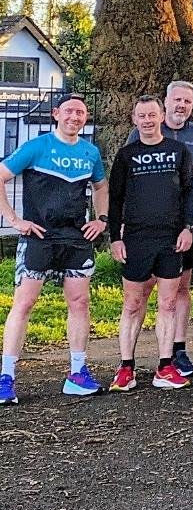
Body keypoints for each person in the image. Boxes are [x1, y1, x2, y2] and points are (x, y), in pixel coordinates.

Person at [0, 93, 108, 403]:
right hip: (39, 236)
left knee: (80, 302)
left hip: (76, 238)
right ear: (56, 114)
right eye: (70, 111)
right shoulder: (37, 147)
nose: (76, 117)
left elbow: (101, 187)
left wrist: (101, 220)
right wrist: (13, 219)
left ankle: (77, 373)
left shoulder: (90, 152)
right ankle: (6, 377)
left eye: (82, 112)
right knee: (24, 304)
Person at [108, 95, 193, 392]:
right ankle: (125, 368)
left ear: (161, 116)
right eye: (141, 116)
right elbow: (115, 199)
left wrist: (189, 228)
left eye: (152, 115)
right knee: (133, 304)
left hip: (171, 239)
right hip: (136, 238)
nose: (147, 121)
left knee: (169, 302)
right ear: (134, 120)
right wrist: (115, 237)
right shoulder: (126, 155)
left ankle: (165, 366)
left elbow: (190, 193)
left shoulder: (177, 152)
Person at [138, 80, 193, 380]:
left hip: (187, 224)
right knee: (145, 289)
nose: (181, 105)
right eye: (177, 100)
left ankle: (178, 350)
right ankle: (131, 357)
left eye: (187, 101)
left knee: (181, 288)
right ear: (165, 101)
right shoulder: (143, 131)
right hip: (148, 227)